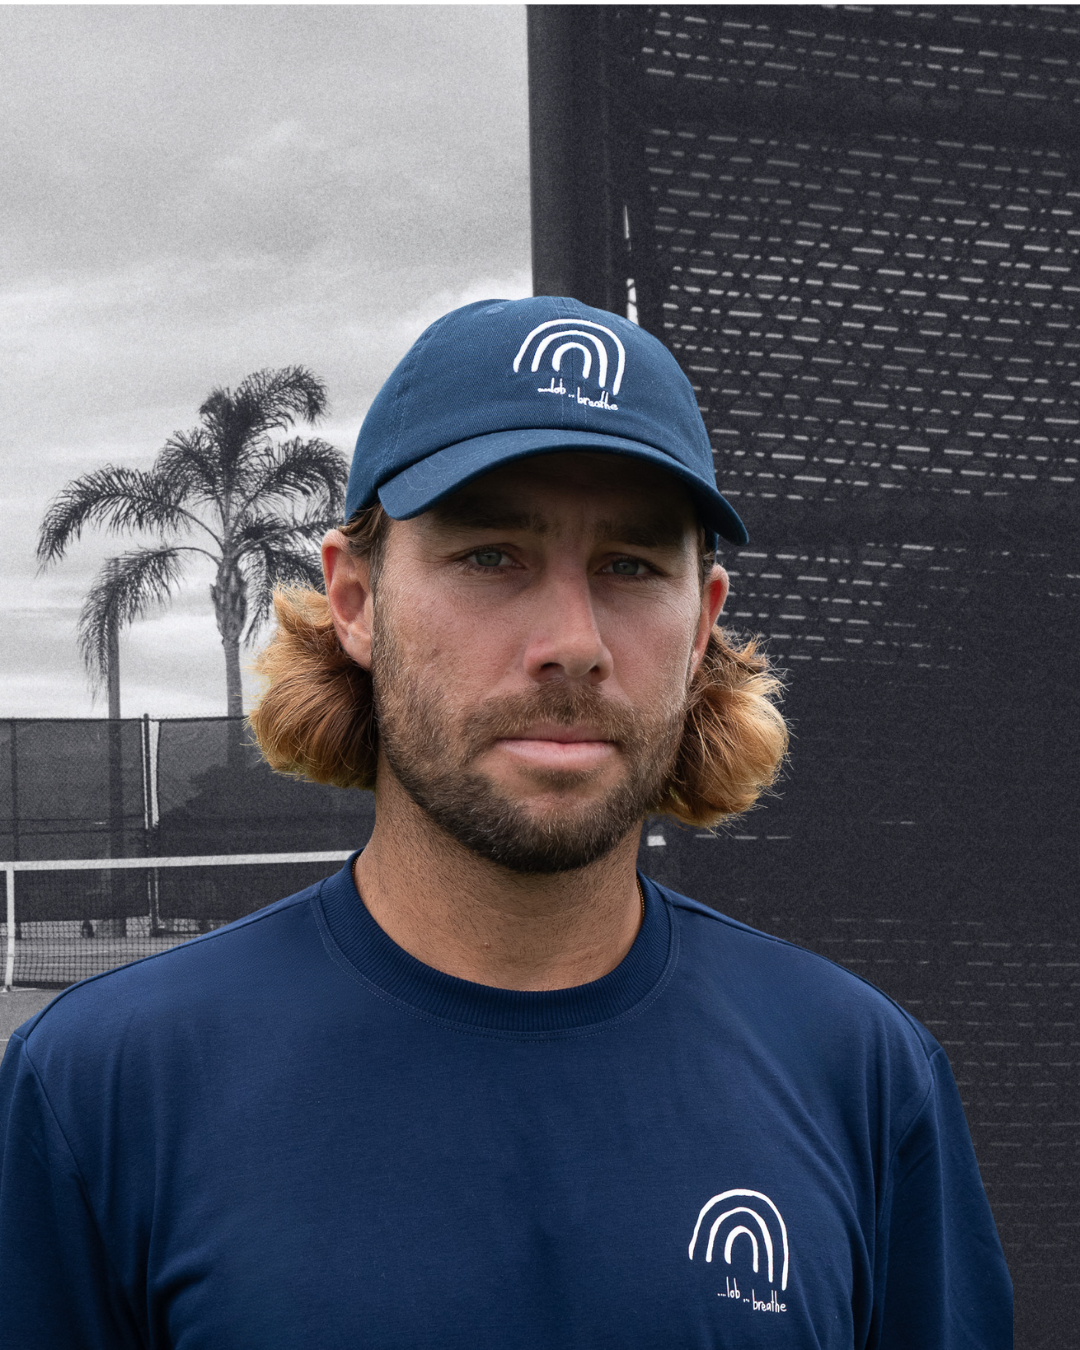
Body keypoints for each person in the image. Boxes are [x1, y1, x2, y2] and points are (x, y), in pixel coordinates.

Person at [0, 297, 1010, 1348]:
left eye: (630, 566)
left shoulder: (864, 1078)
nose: (571, 642)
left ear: (703, 622)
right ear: (355, 599)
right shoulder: (103, 1090)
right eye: (491, 555)